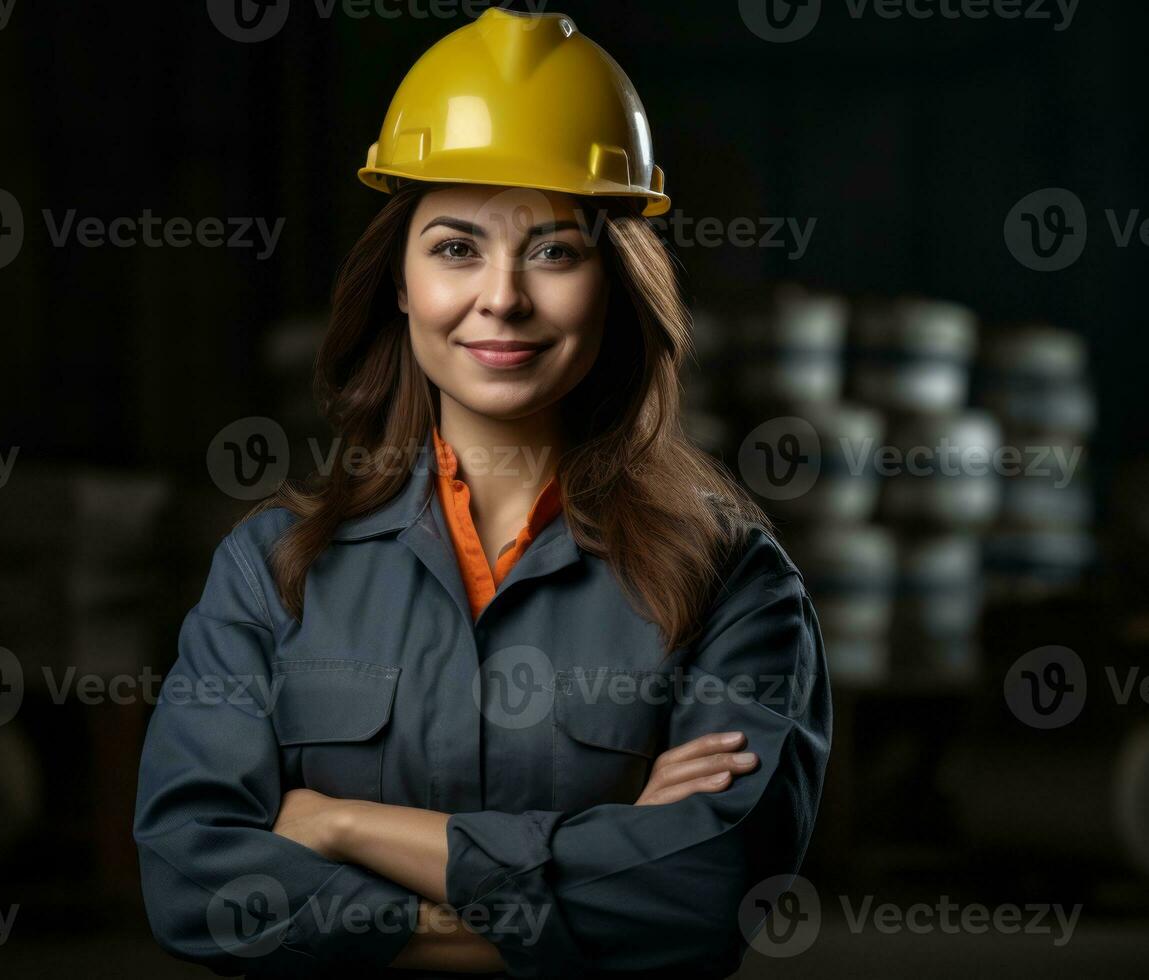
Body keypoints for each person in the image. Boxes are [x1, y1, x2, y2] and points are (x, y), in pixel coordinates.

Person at [133, 8, 831, 978]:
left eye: (553, 250)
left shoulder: (728, 581)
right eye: (455, 247)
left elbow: (700, 895)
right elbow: (190, 878)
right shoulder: (273, 570)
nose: (500, 295)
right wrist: (575, 888)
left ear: (617, 283)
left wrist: (337, 824)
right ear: (399, 285)